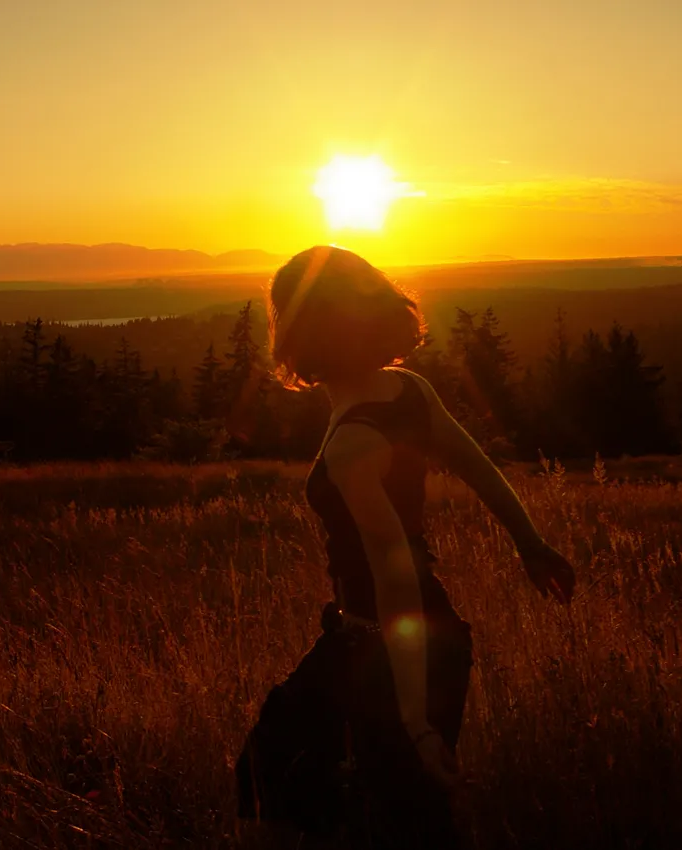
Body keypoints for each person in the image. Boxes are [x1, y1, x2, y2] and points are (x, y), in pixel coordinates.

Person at [235, 246, 576, 848]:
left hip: (388, 645)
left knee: (390, 811)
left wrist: (416, 721)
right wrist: (530, 544)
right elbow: (477, 466)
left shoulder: (352, 443)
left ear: (296, 330)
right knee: (283, 768)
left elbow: (394, 577)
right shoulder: (406, 391)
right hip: (390, 639)